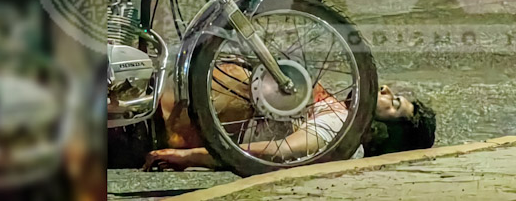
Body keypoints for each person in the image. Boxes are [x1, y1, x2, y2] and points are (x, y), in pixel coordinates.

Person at [141, 80, 436, 171]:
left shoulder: (338, 129)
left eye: (393, 103)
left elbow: (279, 151)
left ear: (377, 133)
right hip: (166, 101)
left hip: (161, 115)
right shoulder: (339, 116)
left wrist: (191, 157)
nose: (383, 89)